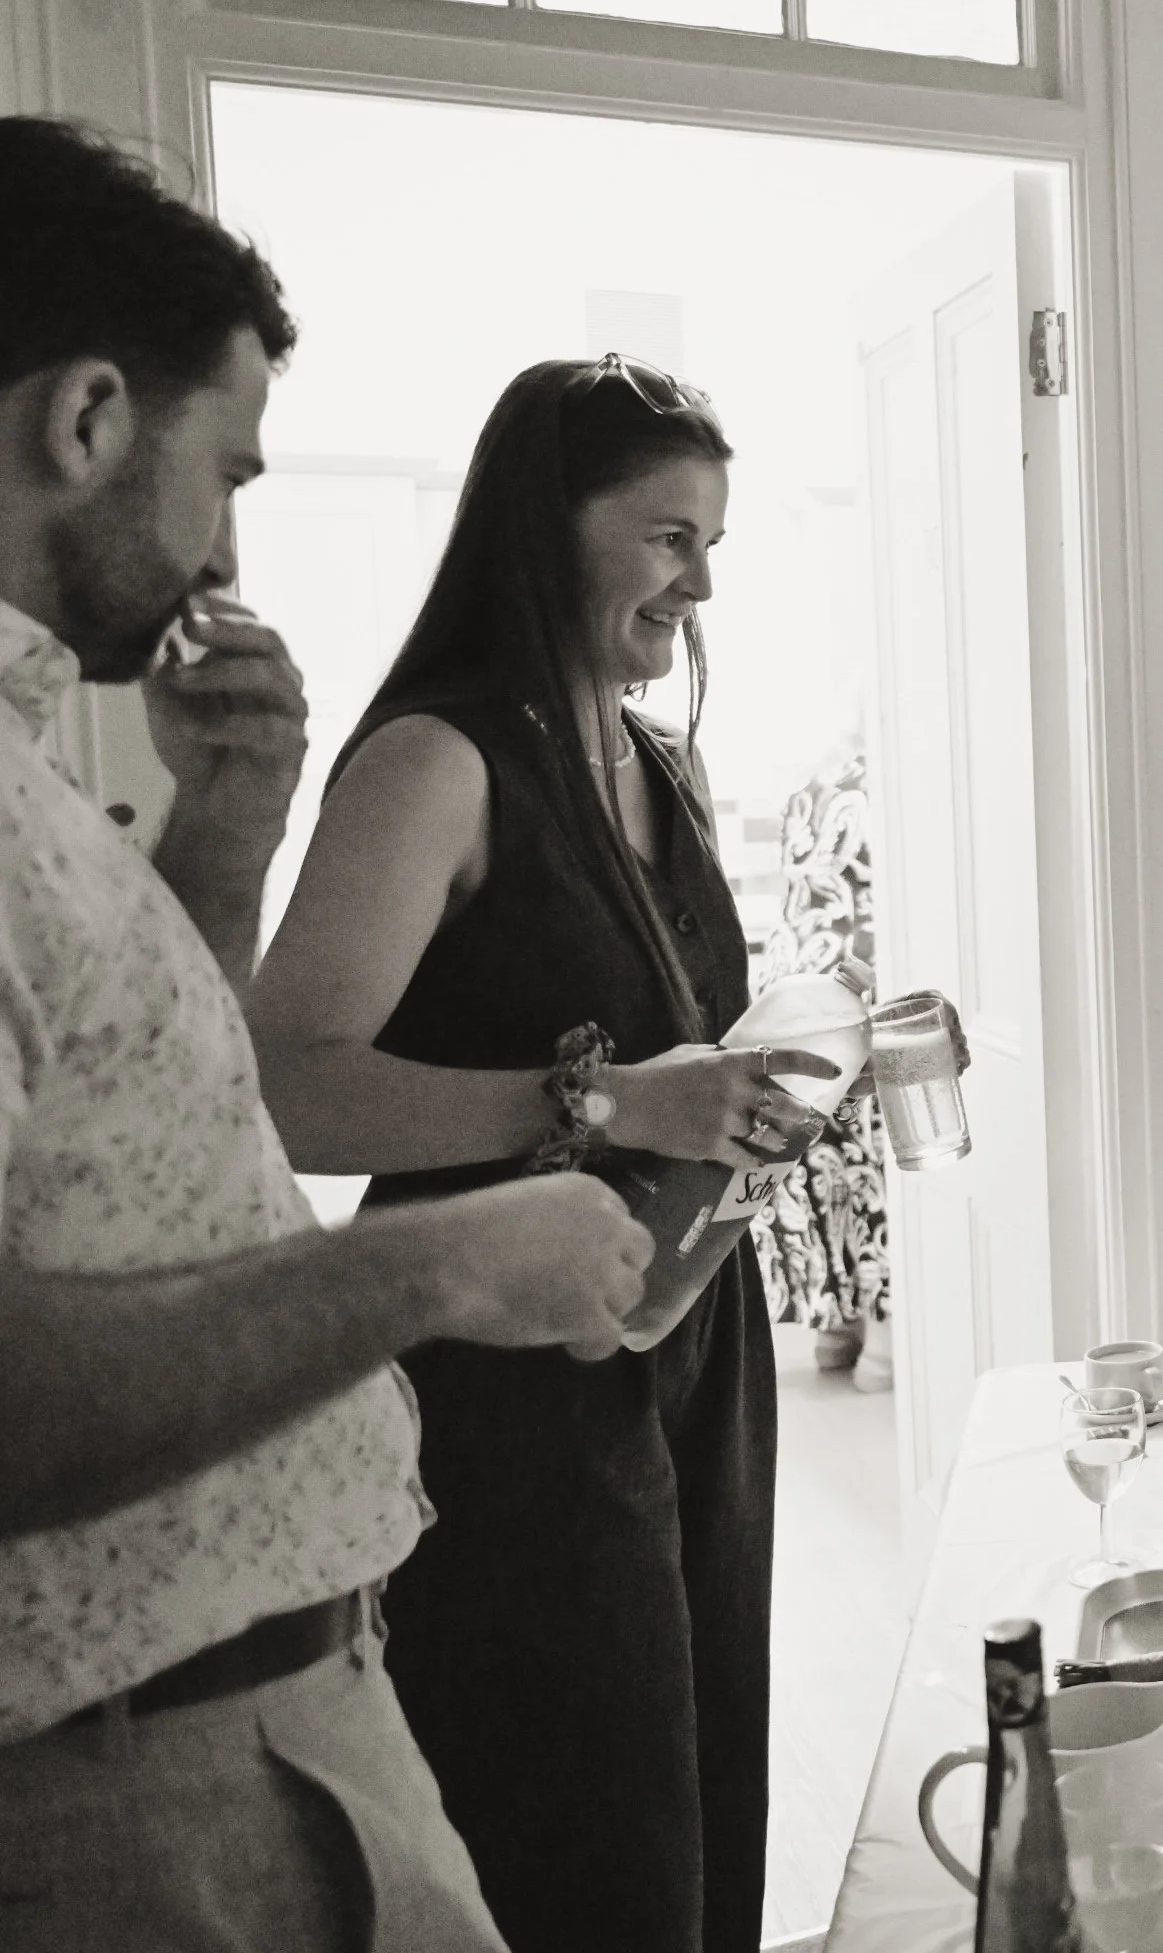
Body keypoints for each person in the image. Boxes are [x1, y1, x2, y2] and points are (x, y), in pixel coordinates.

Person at [0, 121, 657, 1950]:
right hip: (133, 1796)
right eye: (223, 473)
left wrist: (226, 831)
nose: (225, 539)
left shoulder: (36, 767)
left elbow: (149, 1148)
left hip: (263, 1722)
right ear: (85, 419)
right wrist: (432, 1268)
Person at [249, 357, 835, 1953]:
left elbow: (674, 1052)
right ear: (543, 531)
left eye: (709, 541)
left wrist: (765, 1081)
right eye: (664, 537)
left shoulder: (664, 769)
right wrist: (590, 1107)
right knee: (584, 1823)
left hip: (693, 1343)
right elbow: (288, 1086)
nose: (700, 582)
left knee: (709, 1781)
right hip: (508, 1387)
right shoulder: (436, 767)